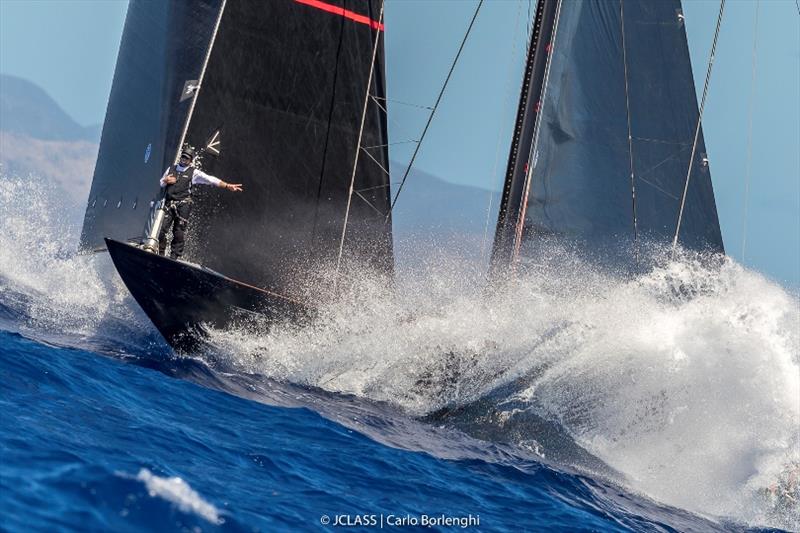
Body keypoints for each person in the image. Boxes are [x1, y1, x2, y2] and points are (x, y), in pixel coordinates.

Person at [158, 146, 243, 259]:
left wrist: (227, 185)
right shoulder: (171, 169)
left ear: (191, 161)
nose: (184, 160)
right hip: (170, 204)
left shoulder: (194, 173)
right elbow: (161, 183)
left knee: (178, 232)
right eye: (183, 157)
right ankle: (160, 253)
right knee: (162, 230)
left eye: (187, 159)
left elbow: (210, 179)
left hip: (183, 205)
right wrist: (165, 180)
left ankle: (173, 257)